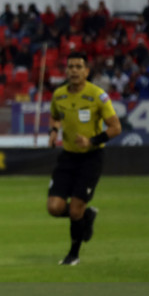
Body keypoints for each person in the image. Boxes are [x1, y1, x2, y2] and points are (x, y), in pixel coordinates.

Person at [47, 51, 121, 266]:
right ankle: (87, 216)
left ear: (87, 71)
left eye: (79, 67)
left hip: (91, 157)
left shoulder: (97, 95)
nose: (74, 71)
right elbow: (54, 116)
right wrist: (53, 132)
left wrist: (92, 140)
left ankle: (73, 254)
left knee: (75, 209)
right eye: (70, 67)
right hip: (68, 157)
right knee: (54, 207)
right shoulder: (59, 95)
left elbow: (116, 127)